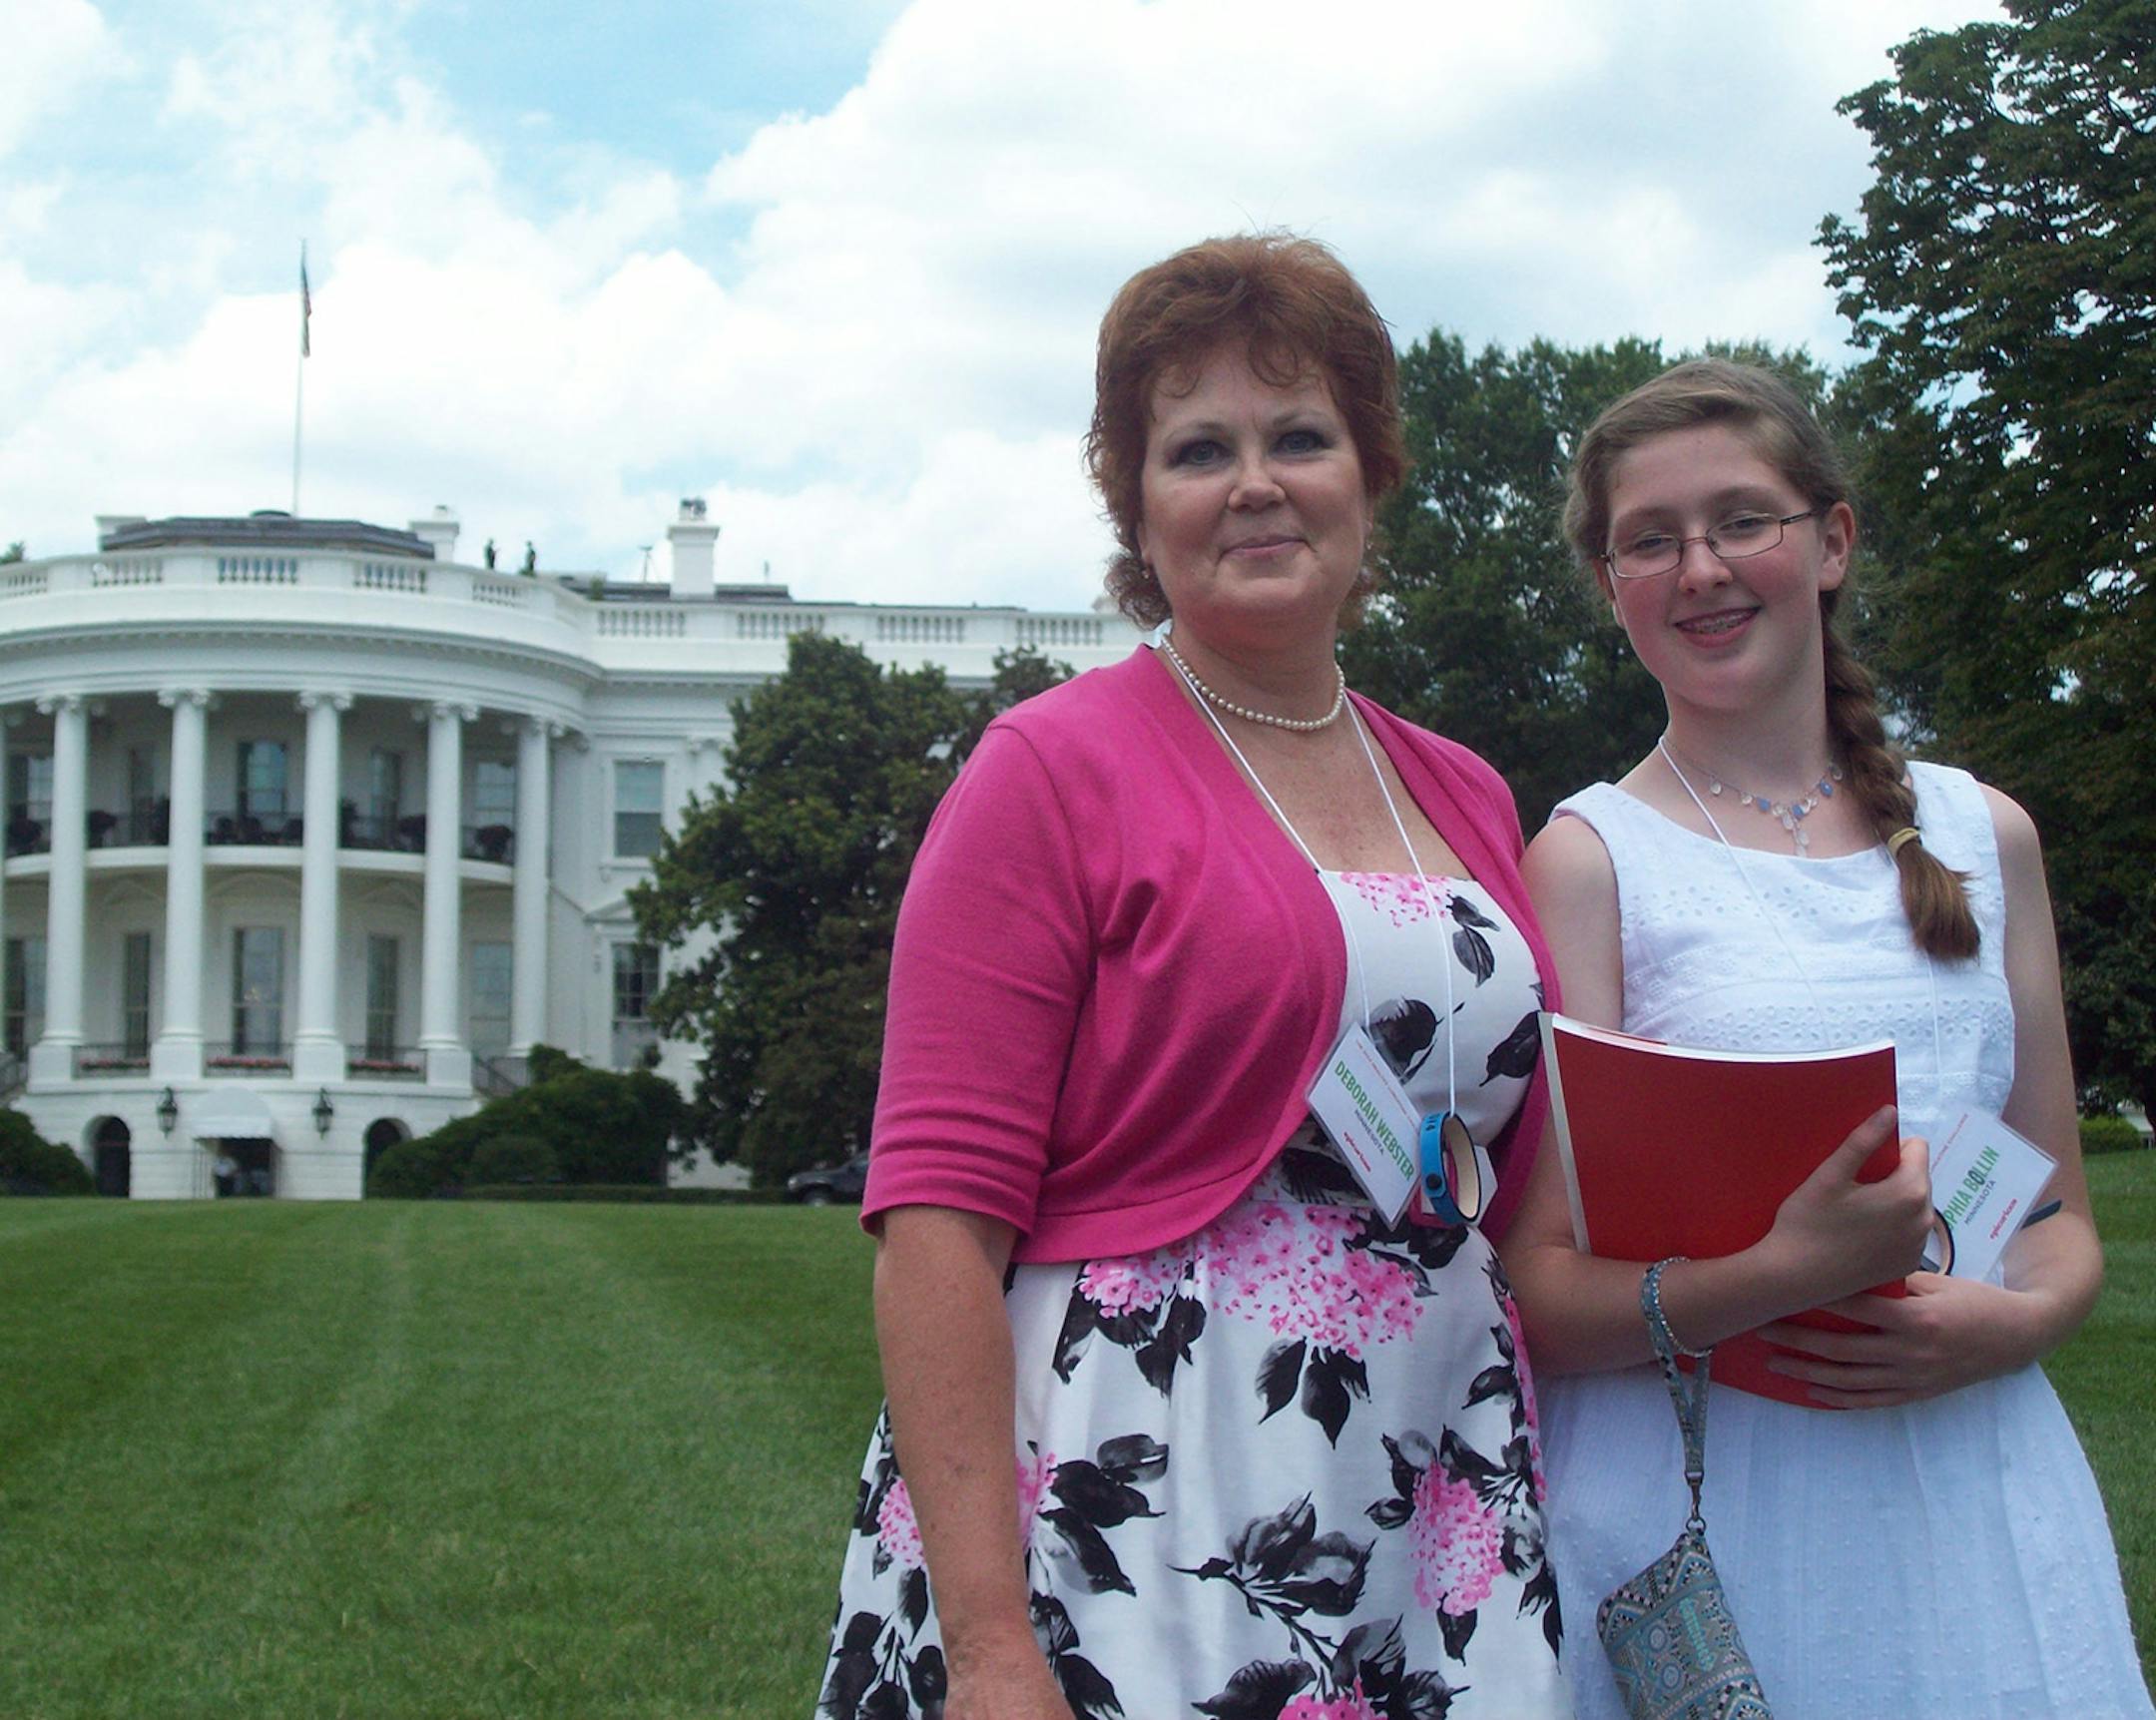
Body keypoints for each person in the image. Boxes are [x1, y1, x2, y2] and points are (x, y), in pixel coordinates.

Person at [818, 235, 1571, 1720]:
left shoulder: (1468, 791)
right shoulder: (1051, 768)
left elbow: (1513, 1188)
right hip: (1141, 1470)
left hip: (1430, 1466)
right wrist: (988, 1655)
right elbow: (934, 1227)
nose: (1256, 482)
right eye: (1197, 449)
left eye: (1300, 437)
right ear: (1136, 504)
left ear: (1369, 475)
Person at [1502, 357, 2153, 1719]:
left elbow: (2055, 1218)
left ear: (1833, 540)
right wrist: (1780, 1276)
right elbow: (1544, 1296)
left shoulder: (1988, 837)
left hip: (1969, 1485)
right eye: (1649, 541)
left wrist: (2009, 1322)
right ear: (1611, 586)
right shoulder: (1588, 859)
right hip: (1709, 1511)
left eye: (1745, 520)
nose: (1702, 569)